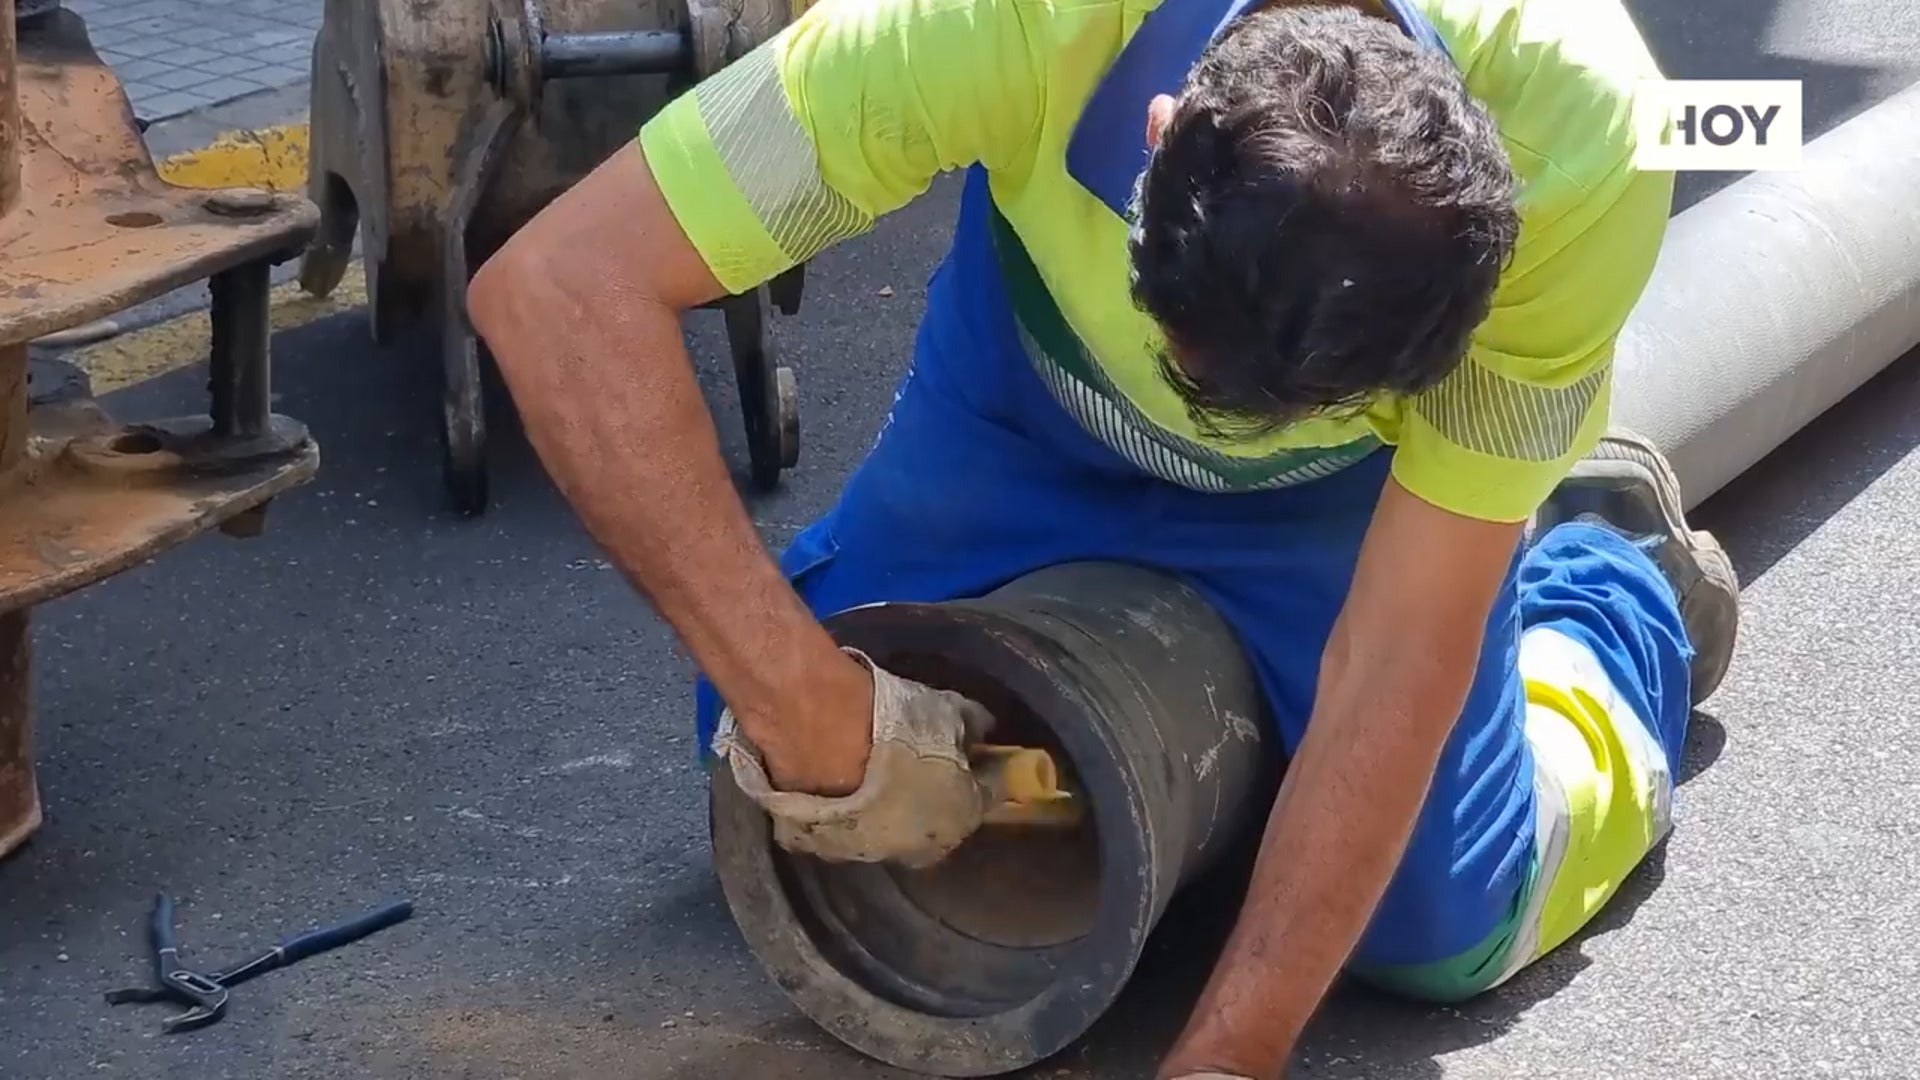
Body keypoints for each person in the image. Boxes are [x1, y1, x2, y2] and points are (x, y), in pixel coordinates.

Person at [466, 0, 1740, 1075]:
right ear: (1160, 130)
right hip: (1035, 401)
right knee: (762, 746)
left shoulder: (1586, 144)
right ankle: (1242, 745)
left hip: (1353, 501)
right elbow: (559, 288)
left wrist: (1230, 1055)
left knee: (1442, 925)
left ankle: (1607, 586)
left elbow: (1398, 654)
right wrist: (813, 716)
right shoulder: (998, 23)